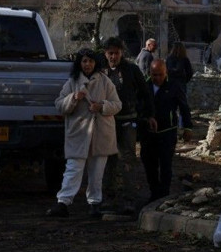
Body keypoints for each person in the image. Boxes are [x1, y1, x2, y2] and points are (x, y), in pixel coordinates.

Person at [47, 47, 122, 218]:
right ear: (79, 63)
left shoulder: (105, 81)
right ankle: (63, 203)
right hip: (79, 134)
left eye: (90, 61)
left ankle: (95, 204)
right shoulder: (72, 82)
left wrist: (101, 106)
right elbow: (59, 104)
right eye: (84, 61)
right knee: (73, 169)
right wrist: (73, 98)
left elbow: (117, 104)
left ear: (95, 63)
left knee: (97, 173)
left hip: (100, 133)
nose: (87, 64)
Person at [103, 36, 156, 215]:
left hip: (127, 121)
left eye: (116, 53)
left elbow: (146, 93)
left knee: (127, 161)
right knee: (108, 160)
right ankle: (108, 198)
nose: (113, 57)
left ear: (121, 53)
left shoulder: (132, 70)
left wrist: (148, 115)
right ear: (105, 54)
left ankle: (129, 199)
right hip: (106, 122)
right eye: (110, 53)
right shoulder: (102, 72)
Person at [139, 59, 192, 202]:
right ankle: (154, 192)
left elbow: (184, 106)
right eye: (154, 75)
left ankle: (164, 194)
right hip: (148, 133)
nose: (157, 78)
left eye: (160, 75)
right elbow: (139, 105)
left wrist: (187, 127)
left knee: (166, 164)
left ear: (165, 73)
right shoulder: (145, 85)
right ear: (150, 73)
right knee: (149, 164)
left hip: (167, 132)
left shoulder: (174, 86)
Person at [165, 42, 194, 127]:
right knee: (183, 107)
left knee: (172, 107)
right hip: (181, 86)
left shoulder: (169, 58)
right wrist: (184, 81)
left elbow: (166, 71)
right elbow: (190, 73)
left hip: (170, 86)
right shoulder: (184, 59)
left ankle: (172, 124)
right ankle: (182, 125)